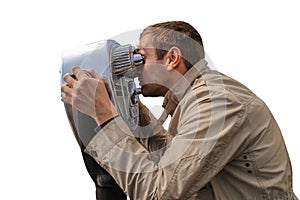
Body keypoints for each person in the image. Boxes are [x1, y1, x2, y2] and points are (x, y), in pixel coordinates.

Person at [61, 21, 298, 199]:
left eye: (141, 58)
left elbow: (161, 192)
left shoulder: (216, 102)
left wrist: (104, 115)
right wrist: (129, 107)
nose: (134, 70)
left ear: (172, 58)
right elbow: (171, 159)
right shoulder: (198, 96)